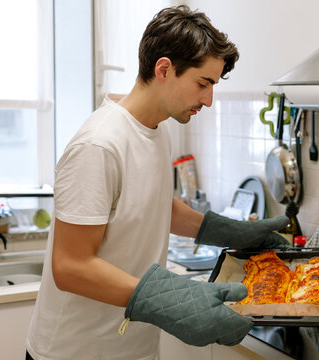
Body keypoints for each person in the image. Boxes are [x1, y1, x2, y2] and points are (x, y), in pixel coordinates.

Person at [26, 5, 289, 360]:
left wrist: (230, 231)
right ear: (164, 68)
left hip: (133, 347)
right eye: (203, 83)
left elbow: (154, 205)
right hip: (76, 351)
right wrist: (171, 298)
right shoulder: (99, 144)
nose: (208, 100)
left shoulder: (157, 129)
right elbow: (70, 266)